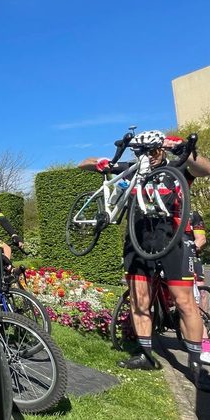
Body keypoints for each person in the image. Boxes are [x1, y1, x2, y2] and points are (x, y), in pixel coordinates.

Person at [78, 130, 210, 389]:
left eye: (154, 150)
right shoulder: (133, 170)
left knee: (185, 302)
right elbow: (83, 163)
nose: (150, 156)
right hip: (138, 240)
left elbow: (205, 168)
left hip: (173, 239)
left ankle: (196, 365)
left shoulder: (178, 167)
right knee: (140, 301)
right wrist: (102, 163)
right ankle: (147, 355)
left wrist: (183, 149)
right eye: (143, 152)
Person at [186, 211, 210, 363]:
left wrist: (187, 249)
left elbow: (201, 239)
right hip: (169, 260)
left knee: (197, 302)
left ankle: (206, 346)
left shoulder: (193, 215)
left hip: (190, 259)